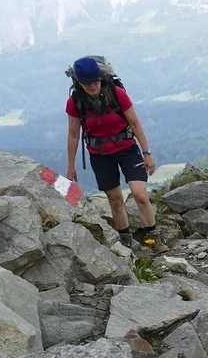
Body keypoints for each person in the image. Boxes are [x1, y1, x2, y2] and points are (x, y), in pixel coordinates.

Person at [64, 56, 160, 251]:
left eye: (95, 81)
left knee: (140, 194)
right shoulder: (75, 102)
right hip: (99, 155)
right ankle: (125, 240)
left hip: (127, 149)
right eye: (86, 83)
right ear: (79, 83)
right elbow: (73, 135)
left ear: (101, 78)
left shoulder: (117, 94)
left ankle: (154, 238)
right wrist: (71, 166)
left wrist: (146, 153)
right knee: (115, 199)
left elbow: (135, 123)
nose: (92, 86)